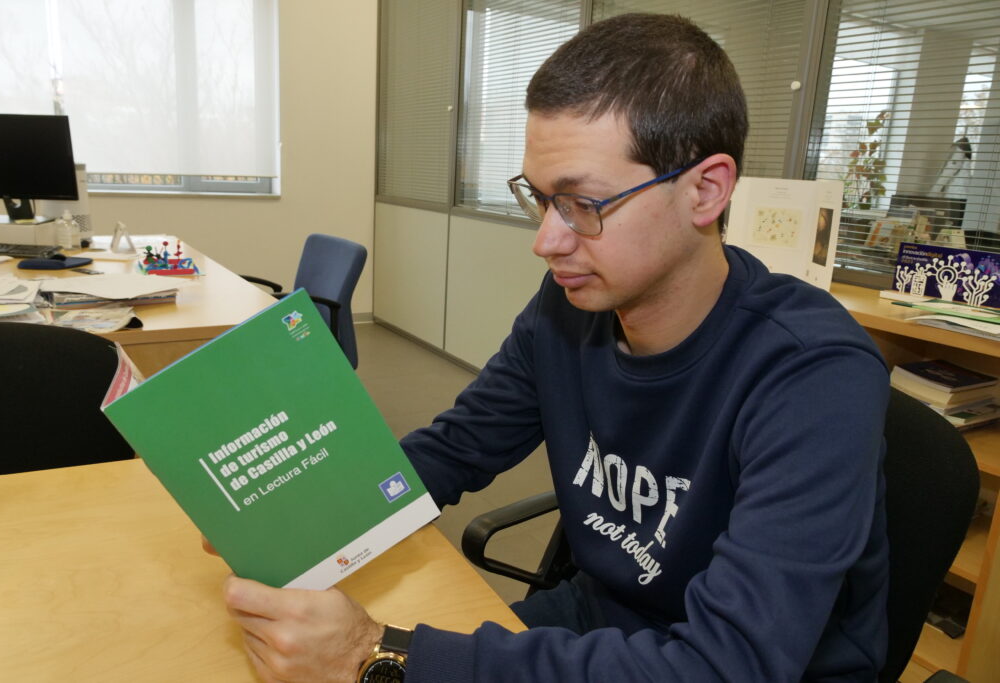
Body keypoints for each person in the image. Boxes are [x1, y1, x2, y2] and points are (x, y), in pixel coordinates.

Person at [218, 13, 890, 682]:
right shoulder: (569, 308)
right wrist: (293, 518)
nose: (547, 241)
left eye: (582, 204)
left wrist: (376, 654)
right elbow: (454, 449)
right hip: (600, 619)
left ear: (706, 190)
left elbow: (726, 663)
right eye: (540, 200)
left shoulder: (813, 374)